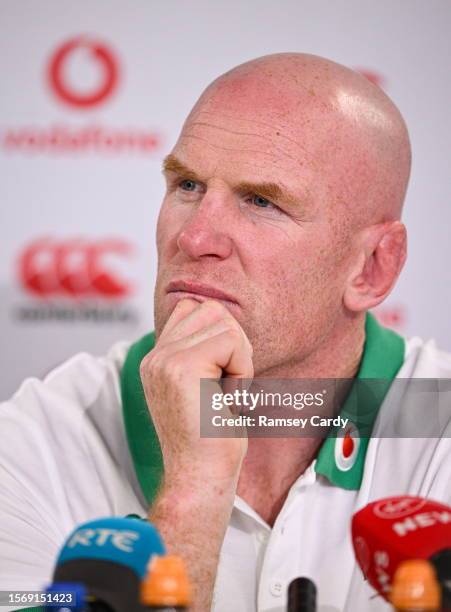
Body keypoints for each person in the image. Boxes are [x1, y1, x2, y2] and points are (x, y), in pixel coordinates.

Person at [0, 53, 450, 612]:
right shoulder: (33, 441)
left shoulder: (441, 421)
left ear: (372, 268)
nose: (195, 236)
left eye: (261, 201)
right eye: (186, 184)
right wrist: (193, 487)